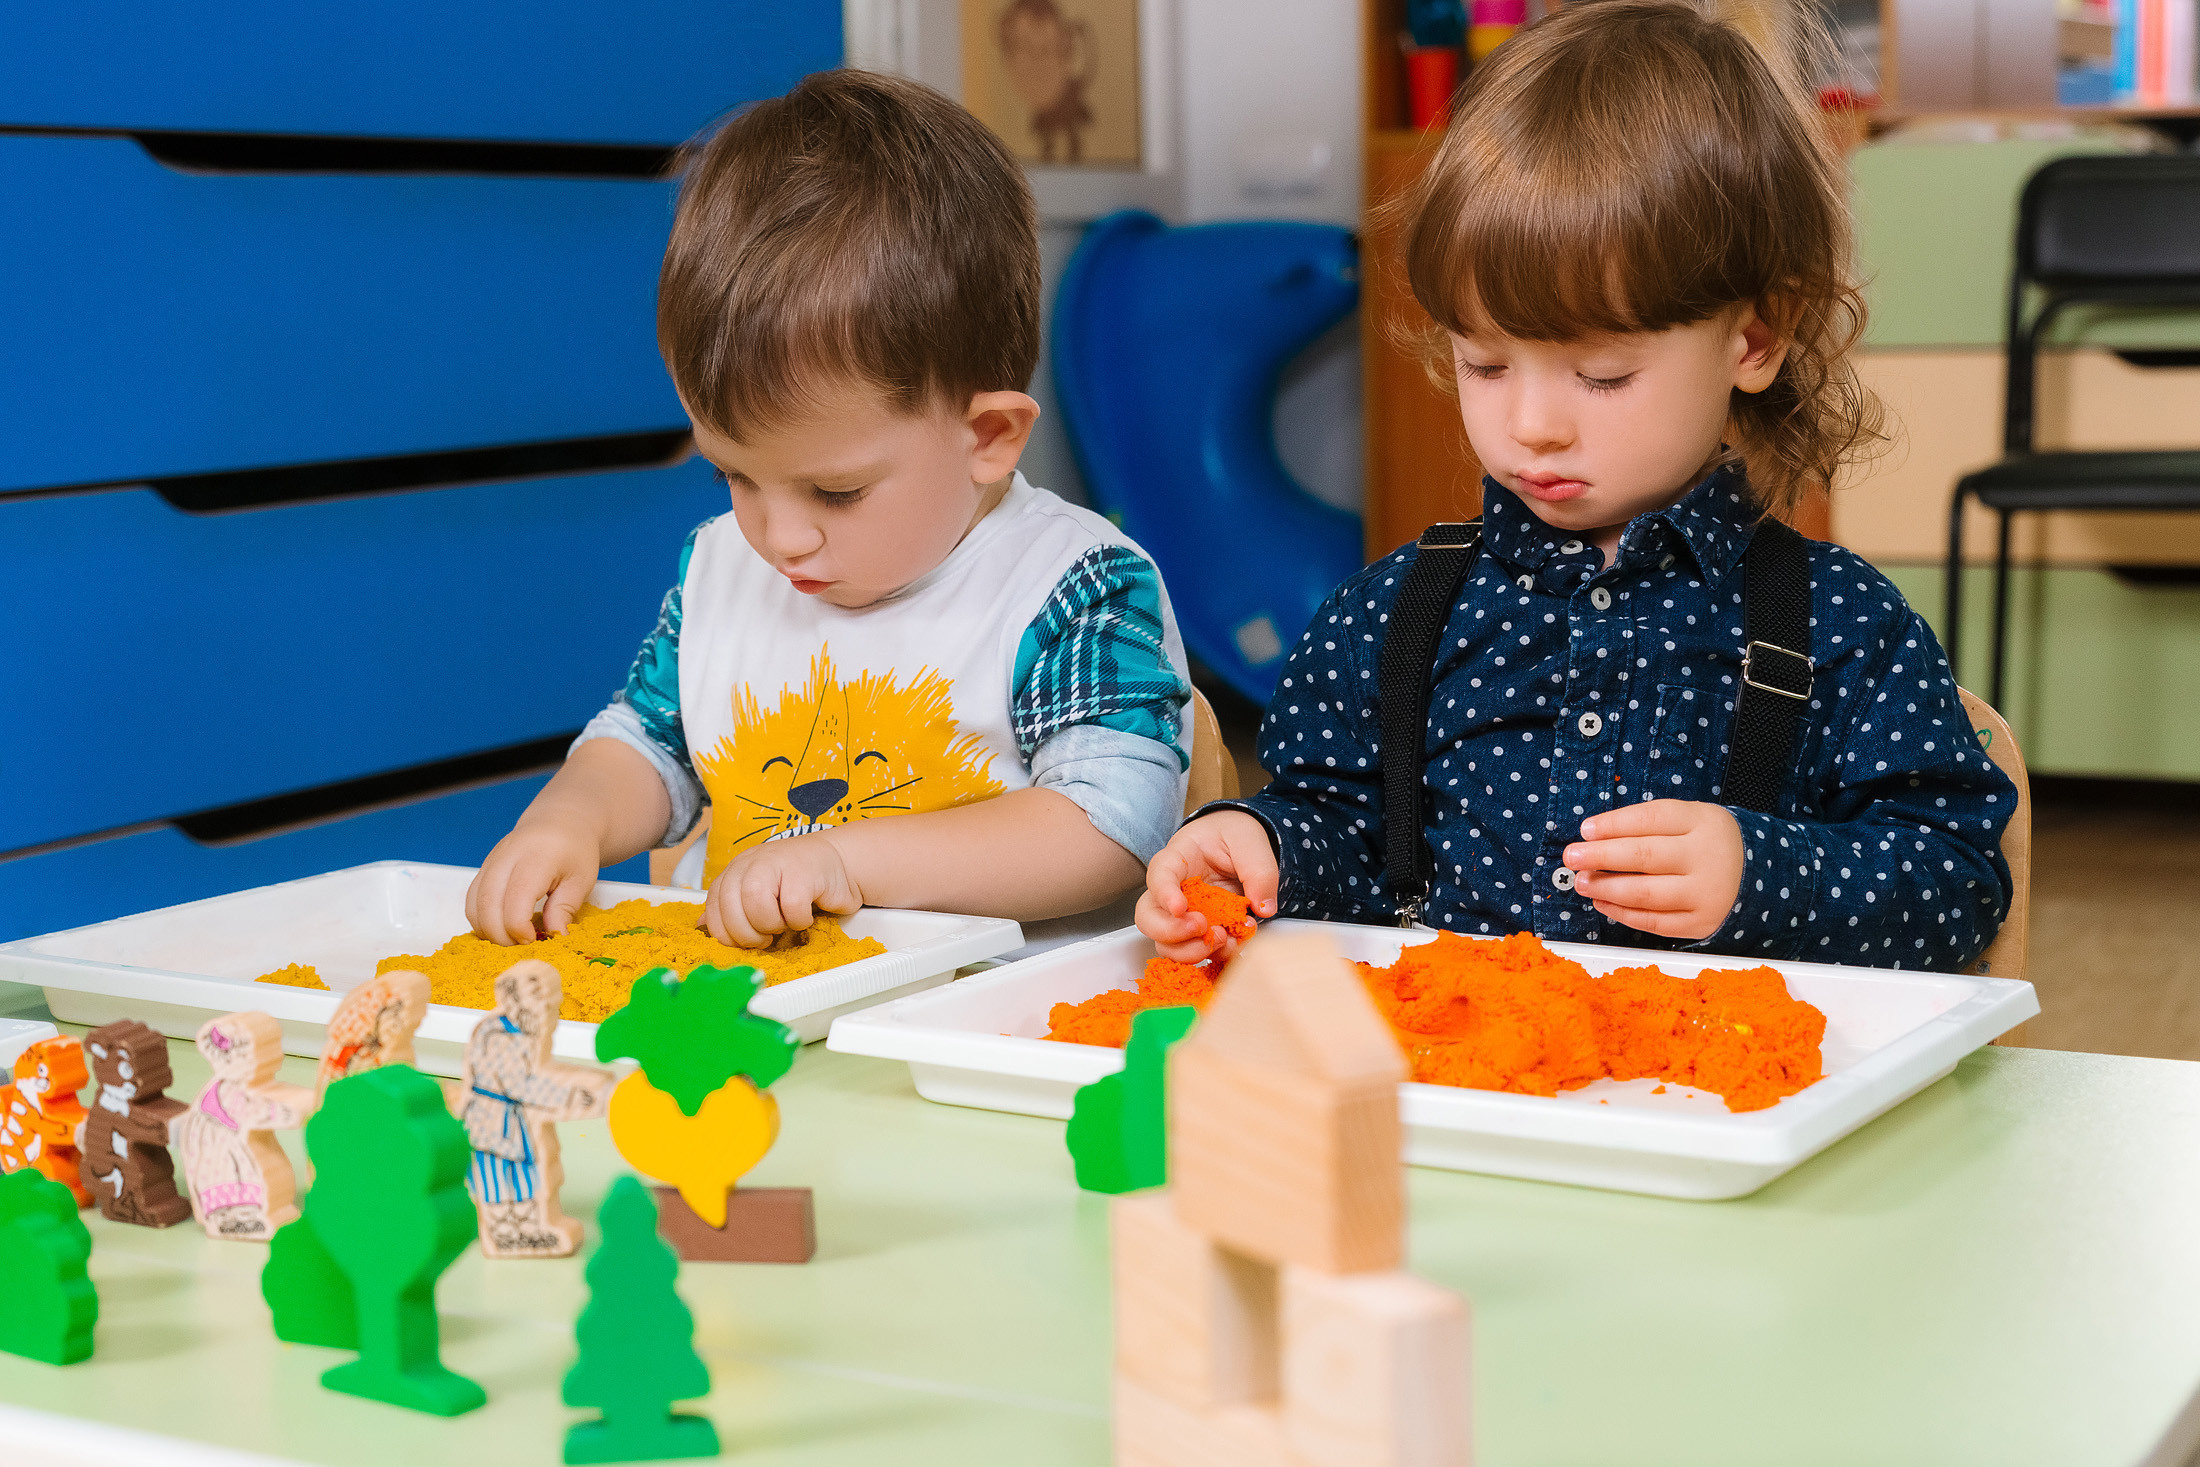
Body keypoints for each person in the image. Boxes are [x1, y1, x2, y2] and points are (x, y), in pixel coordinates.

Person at [1140, 0, 2017, 972]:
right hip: (1457, 1095)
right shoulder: (1386, 618)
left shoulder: (1841, 627)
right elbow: (1335, 830)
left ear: (1754, 339)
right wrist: (1260, 852)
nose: (1531, 425)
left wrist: (1760, 875)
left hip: (1710, 1110)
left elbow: (1956, 887)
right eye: (1484, 363)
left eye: (1600, 375)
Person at [469, 69, 1189, 950]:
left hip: (983, 1036)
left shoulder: (1071, 588)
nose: (779, 535)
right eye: (731, 476)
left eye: (835, 491)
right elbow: (650, 745)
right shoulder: (722, 572)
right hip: (747, 1028)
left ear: (989, 436)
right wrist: (567, 822)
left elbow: (1112, 826)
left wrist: (848, 861)